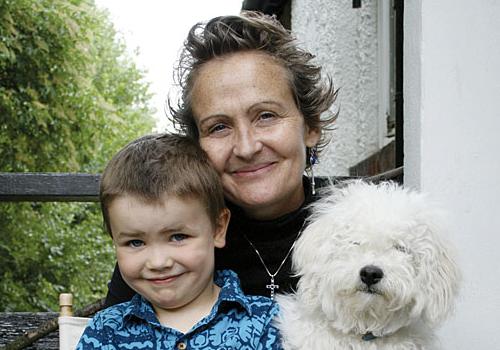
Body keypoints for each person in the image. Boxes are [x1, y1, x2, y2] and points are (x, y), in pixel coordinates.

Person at [105, 11, 337, 306]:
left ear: (311, 126)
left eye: (266, 116)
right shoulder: (176, 234)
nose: (246, 147)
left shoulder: (358, 230)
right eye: (219, 127)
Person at [77, 134, 282, 349]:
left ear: (218, 229)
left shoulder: (267, 322)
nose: (158, 262)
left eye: (177, 237)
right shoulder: (105, 330)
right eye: (135, 242)